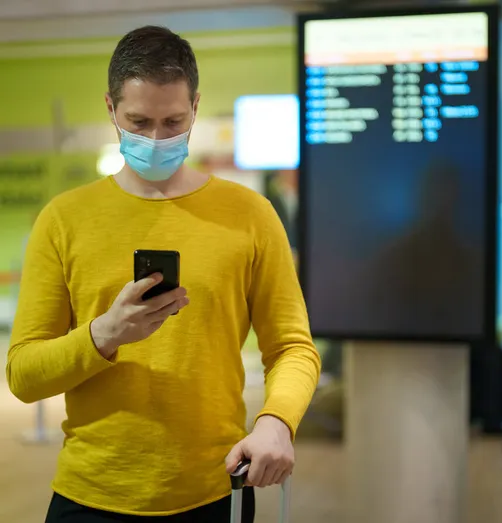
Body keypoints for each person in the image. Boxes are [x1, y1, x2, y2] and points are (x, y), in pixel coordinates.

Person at [6, 26, 321, 523]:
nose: (156, 138)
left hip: (216, 488)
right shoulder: (63, 219)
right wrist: (103, 335)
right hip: (90, 493)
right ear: (111, 109)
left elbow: (292, 347)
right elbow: (23, 374)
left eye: (173, 121)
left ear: (196, 106)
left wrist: (276, 421)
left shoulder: (251, 215)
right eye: (139, 121)